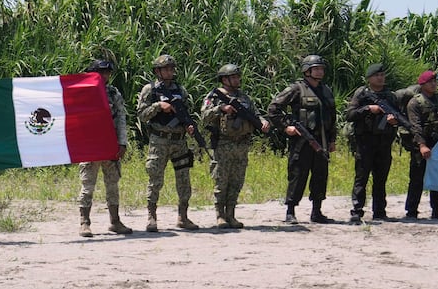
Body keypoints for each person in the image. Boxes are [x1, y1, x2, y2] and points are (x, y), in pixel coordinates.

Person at [268, 54, 338, 223]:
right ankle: (290, 211)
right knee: (298, 175)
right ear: (307, 71)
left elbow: (332, 117)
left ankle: (317, 211)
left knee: (320, 176)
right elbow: (273, 109)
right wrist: (286, 127)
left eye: (321, 69)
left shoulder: (326, 90)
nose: (320, 72)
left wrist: (332, 140)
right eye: (316, 69)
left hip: (321, 141)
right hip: (302, 141)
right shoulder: (296, 89)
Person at [135, 53, 202, 232]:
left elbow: (186, 112)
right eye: (166, 69)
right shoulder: (150, 90)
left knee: (183, 179)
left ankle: (183, 216)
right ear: (157, 71)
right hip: (160, 140)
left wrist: (188, 125)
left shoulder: (180, 90)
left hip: (179, 141)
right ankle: (151, 216)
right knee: (155, 178)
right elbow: (141, 115)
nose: (170, 72)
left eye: (172, 68)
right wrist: (158, 106)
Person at [201, 62, 268, 228]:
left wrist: (263, 122)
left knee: (236, 181)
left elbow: (255, 114)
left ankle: (231, 214)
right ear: (224, 79)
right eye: (234, 77)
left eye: (238, 76)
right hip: (223, 144)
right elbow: (204, 116)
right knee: (221, 181)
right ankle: (220, 215)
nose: (238, 79)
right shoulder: (215, 96)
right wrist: (221, 109)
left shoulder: (244, 97)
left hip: (241, 145)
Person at [344, 62, 408, 223]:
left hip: (384, 142)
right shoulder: (362, 94)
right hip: (365, 142)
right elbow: (350, 114)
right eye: (377, 75)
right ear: (369, 78)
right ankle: (357, 211)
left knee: (381, 178)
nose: (380, 78)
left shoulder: (390, 96)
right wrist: (368, 109)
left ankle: (380, 211)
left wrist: (394, 121)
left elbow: (398, 115)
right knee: (361, 177)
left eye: (382, 75)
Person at [77, 58, 133, 236]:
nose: (105, 76)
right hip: (90, 145)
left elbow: (121, 119)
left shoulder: (113, 93)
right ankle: (84, 222)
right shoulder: (82, 92)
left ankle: (115, 221)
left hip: (110, 145)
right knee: (87, 185)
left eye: (107, 72)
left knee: (112, 185)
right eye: (101, 72)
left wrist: (122, 142)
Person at [403, 70, 438, 220]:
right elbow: (415, 126)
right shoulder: (415, 102)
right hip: (421, 146)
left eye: (435, 81)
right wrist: (422, 145)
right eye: (430, 82)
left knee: (437, 179)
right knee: (417, 179)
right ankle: (411, 211)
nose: (434, 84)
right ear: (422, 85)